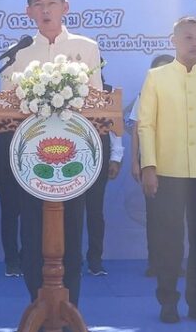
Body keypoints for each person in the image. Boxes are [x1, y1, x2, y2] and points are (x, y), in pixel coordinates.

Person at [1, 0, 104, 307]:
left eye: (52, 4)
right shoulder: (18, 53)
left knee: (71, 232)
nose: (46, 11)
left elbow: (98, 102)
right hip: (31, 159)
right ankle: (39, 304)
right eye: (39, 5)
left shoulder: (86, 48)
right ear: (28, 11)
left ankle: (69, 306)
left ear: (65, 8)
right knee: (32, 232)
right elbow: (4, 102)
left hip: (73, 159)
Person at [137, 16, 196, 324]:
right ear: (174, 41)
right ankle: (168, 302)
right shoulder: (156, 76)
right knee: (169, 240)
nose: (195, 43)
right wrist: (148, 166)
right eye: (189, 38)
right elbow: (146, 125)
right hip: (167, 172)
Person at [129, 54, 175, 277]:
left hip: (178, 162)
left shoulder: (185, 94)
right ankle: (155, 262)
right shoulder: (144, 95)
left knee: (176, 215)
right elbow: (137, 129)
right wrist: (135, 162)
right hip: (151, 163)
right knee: (155, 215)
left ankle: (175, 262)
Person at [84, 74, 123, 276]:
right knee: (69, 214)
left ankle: (95, 260)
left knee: (95, 212)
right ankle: (69, 261)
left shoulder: (108, 92)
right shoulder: (63, 89)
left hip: (100, 157)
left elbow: (115, 128)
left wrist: (116, 157)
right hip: (71, 159)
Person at [0, 132, 24, 277]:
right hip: (4, 157)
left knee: (31, 215)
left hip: (31, 157)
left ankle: (27, 258)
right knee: (9, 213)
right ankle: (12, 262)